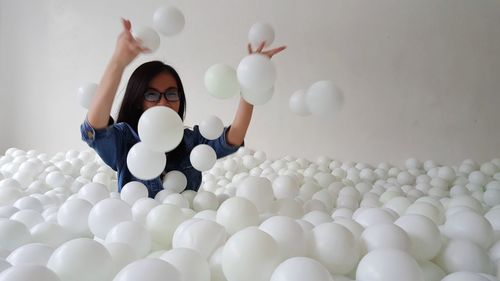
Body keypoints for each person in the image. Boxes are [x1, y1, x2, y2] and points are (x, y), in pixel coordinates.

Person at [80, 19, 286, 198]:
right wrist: (118, 62)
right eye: (151, 95)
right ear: (137, 100)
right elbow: (95, 129)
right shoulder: (124, 140)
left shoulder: (191, 141)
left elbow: (233, 137)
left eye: (171, 94)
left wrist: (252, 79)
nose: (163, 103)